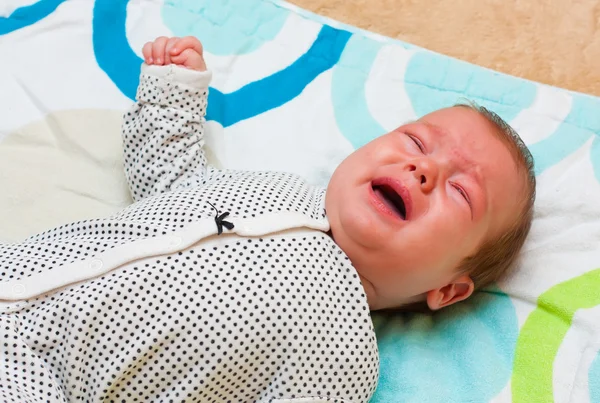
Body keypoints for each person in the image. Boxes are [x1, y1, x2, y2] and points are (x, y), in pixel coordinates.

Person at [0, 36, 535, 402]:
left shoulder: (345, 359)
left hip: (51, 382)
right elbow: (168, 174)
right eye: (416, 141)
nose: (423, 169)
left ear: (447, 289)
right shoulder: (273, 186)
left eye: (461, 193)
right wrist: (172, 91)